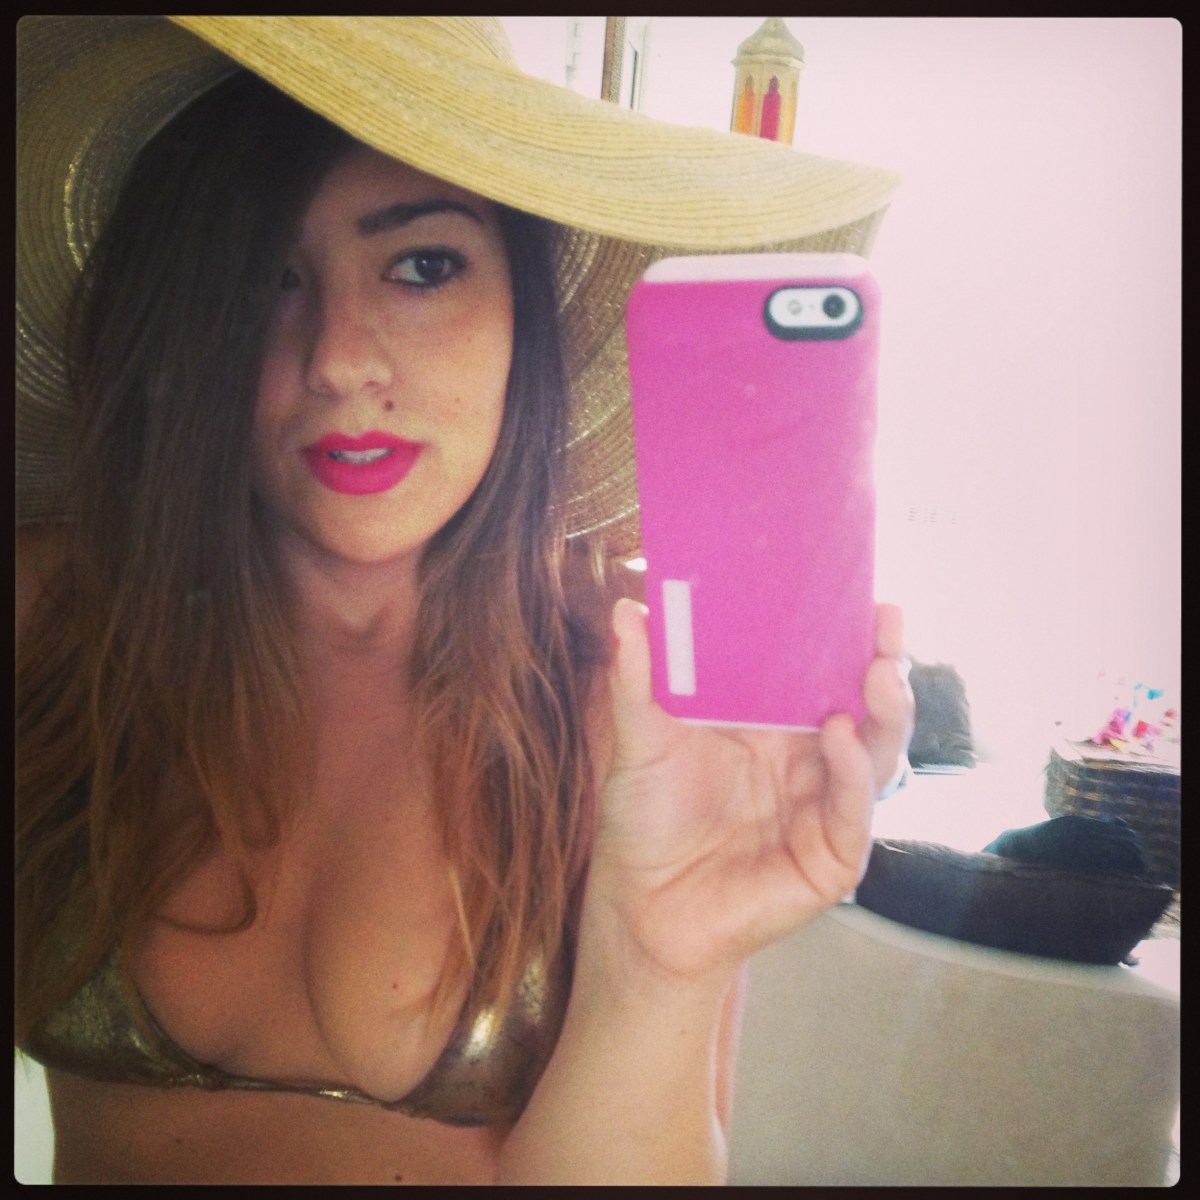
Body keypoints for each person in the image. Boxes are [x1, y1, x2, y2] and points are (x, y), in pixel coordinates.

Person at [15, 16, 912, 1185]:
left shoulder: (626, 712)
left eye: (423, 266)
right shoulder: (55, 624)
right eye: (264, 280)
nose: (340, 359)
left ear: (522, 317)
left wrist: (662, 963)